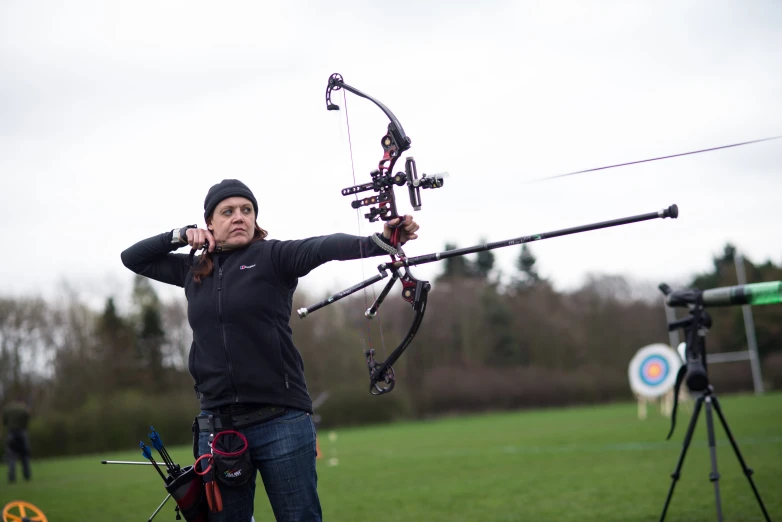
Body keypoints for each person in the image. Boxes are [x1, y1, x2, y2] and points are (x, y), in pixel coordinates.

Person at [121, 179, 420, 522]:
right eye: (228, 211)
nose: (239, 217)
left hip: (282, 421)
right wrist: (178, 235)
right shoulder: (193, 270)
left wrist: (379, 242)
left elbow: (324, 246)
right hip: (219, 428)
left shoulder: (273, 256)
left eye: (246, 210)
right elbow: (133, 258)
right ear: (209, 224)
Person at [3, 400, 32, 484]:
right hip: (22, 433)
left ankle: (12, 477)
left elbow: (4, 422)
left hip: (11, 433)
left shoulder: (7, 409)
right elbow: (27, 418)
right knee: (25, 455)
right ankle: (27, 475)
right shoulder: (23, 409)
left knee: (11, 456)